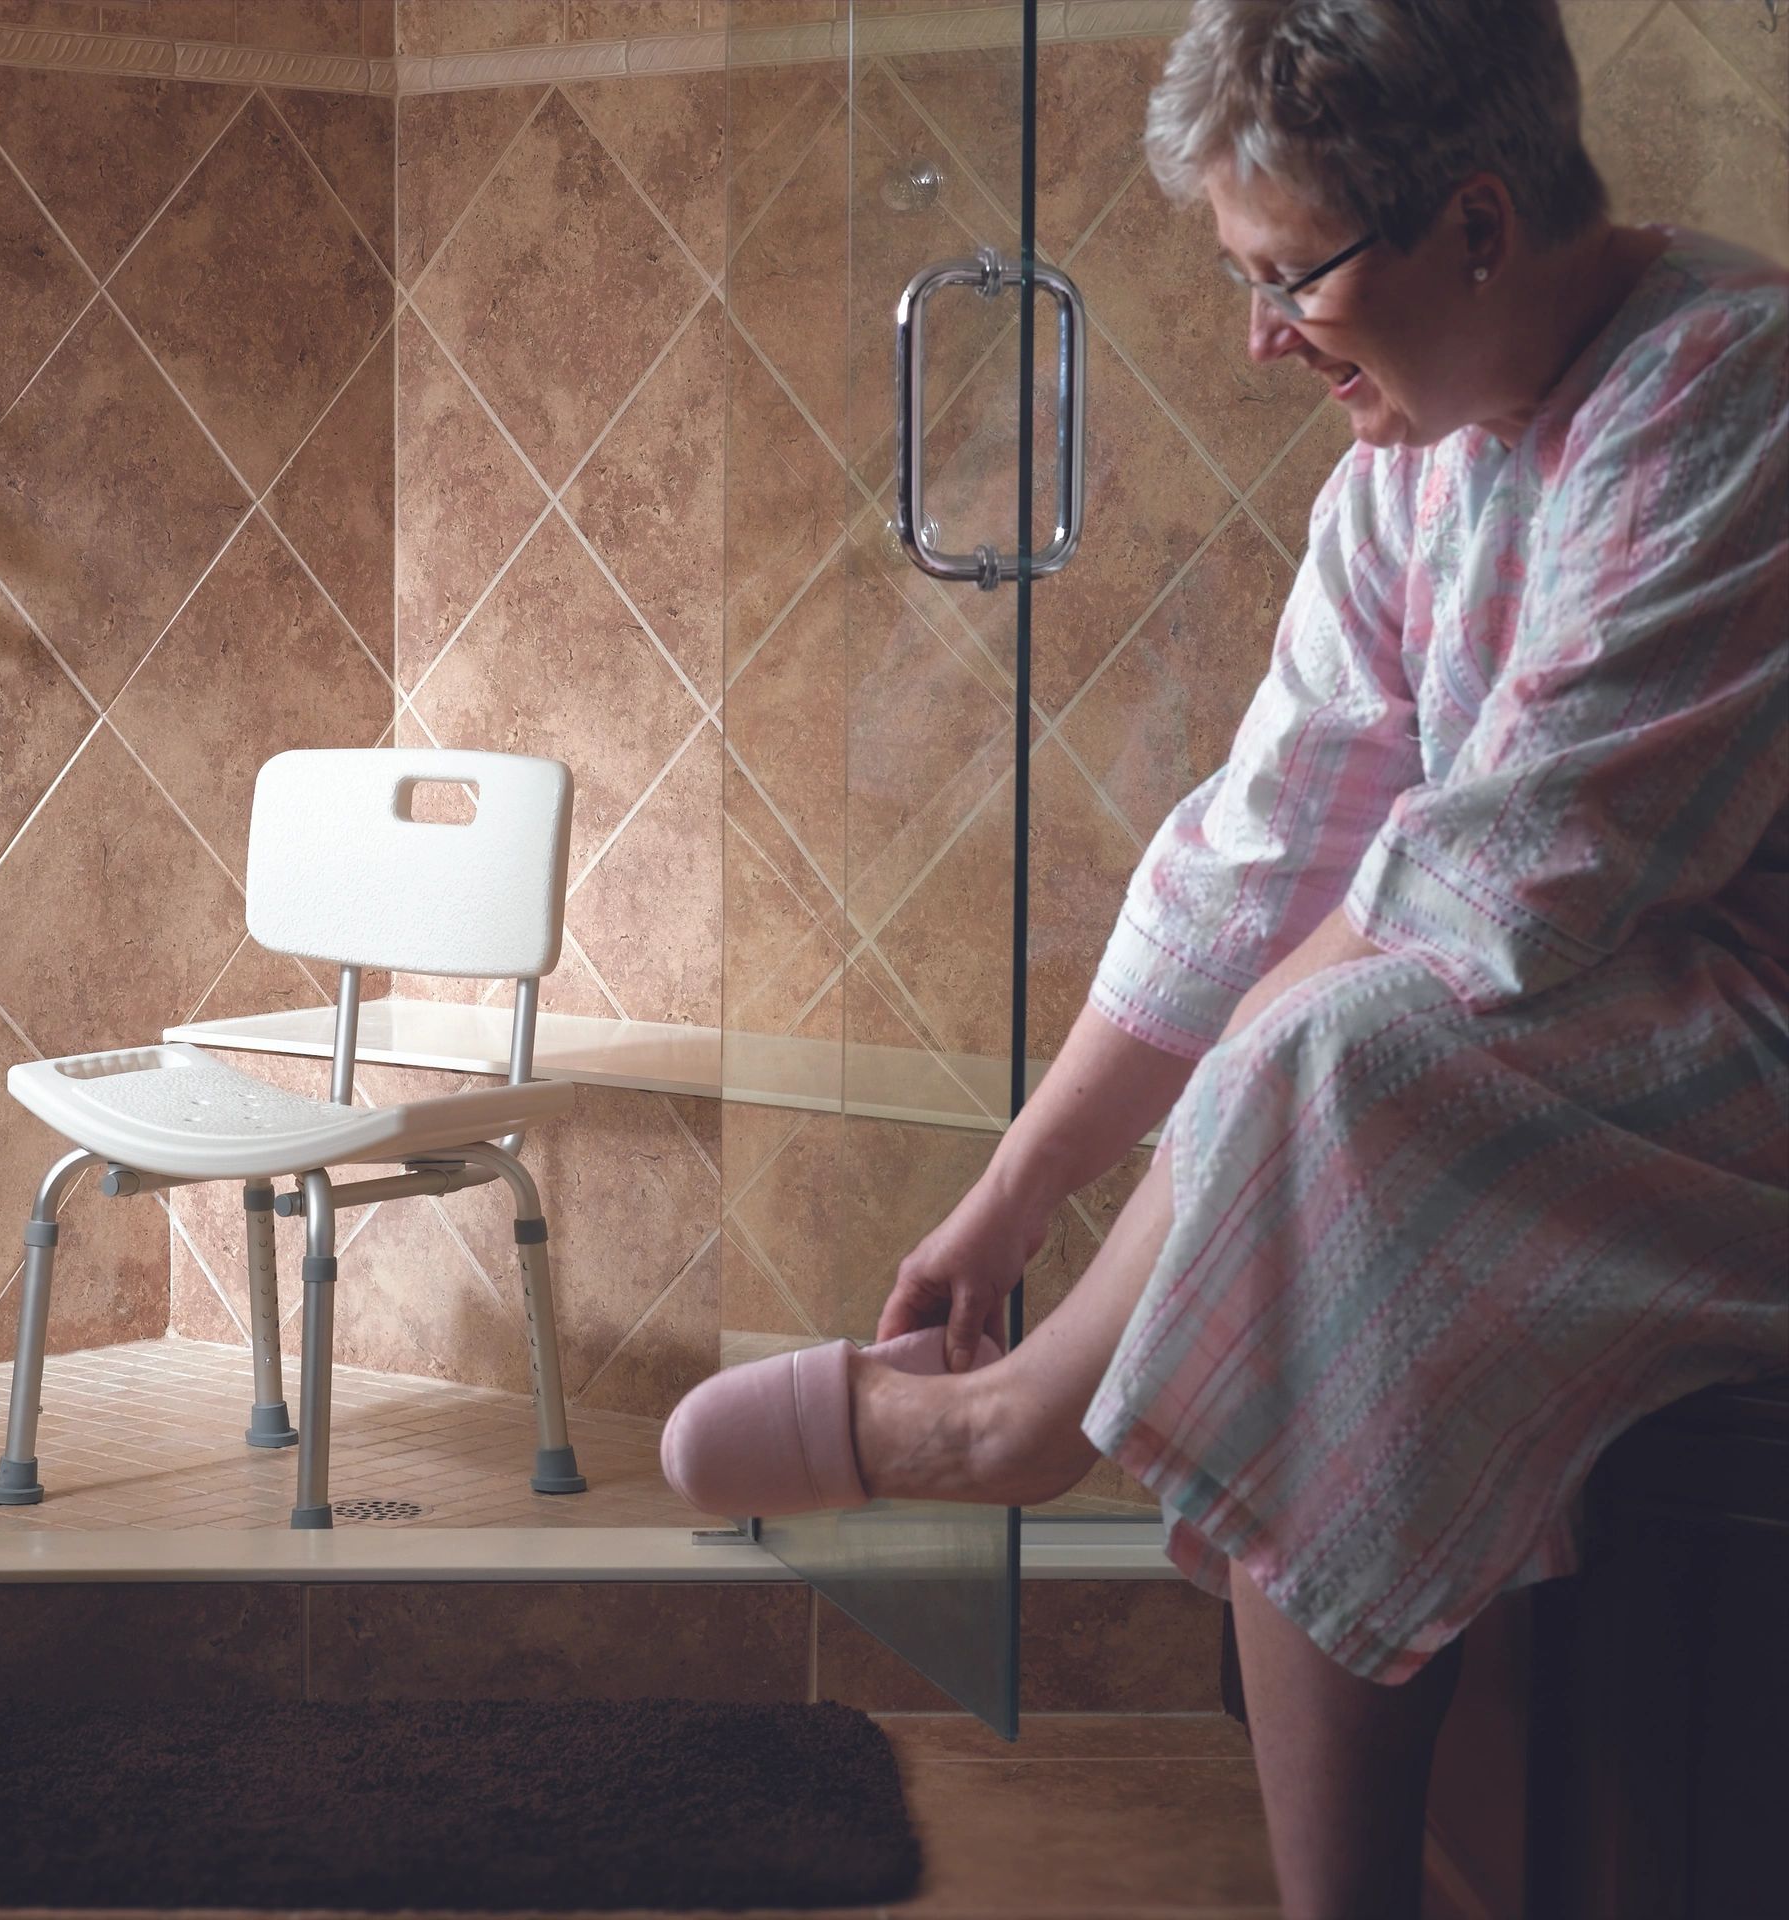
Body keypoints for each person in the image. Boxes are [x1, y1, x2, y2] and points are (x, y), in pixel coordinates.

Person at [661, 3, 1789, 1912]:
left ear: (1482, 225)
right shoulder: (1405, 475)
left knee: (1332, 1071)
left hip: (1742, 1078)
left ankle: (1023, 1424)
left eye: (1290, 282)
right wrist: (1016, 1199)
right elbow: (1256, 858)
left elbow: (1515, 876)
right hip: (1551, 1068)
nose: (1260, 340)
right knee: (1325, 1082)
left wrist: (1240, 1086)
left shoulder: (1729, 396)